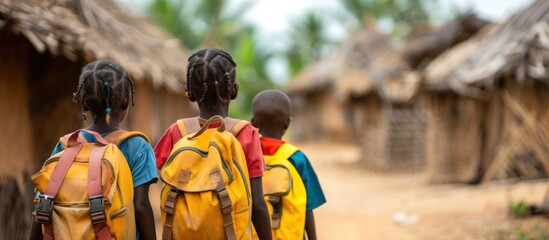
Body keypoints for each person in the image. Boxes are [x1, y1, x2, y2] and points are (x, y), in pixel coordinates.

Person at [29, 60, 157, 240]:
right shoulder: (137, 146)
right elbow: (141, 206)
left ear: (85, 104)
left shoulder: (66, 145)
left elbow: (44, 201)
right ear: (126, 101)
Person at [154, 48, 272, 239]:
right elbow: (258, 203)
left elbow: (152, 178)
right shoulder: (246, 133)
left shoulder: (177, 131)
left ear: (189, 93)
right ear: (234, 90)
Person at [251, 89, 326, 240]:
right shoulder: (297, 158)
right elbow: (307, 207)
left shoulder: (247, 155)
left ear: (253, 123)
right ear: (288, 123)